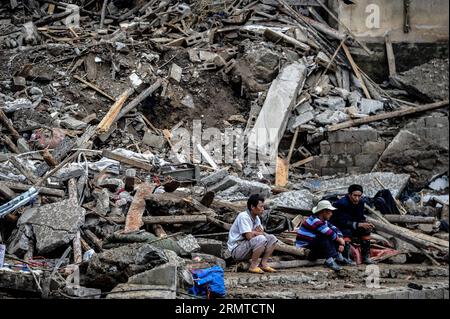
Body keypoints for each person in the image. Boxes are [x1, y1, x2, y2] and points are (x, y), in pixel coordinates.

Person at [296, 200, 354, 271]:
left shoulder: (324, 221)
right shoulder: (314, 220)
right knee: (324, 236)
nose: (331, 214)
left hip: (317, 248)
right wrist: (340, 241)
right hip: (307, 250)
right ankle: (330, 260)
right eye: (330, 211)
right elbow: (330, 233)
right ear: (324, 211)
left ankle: (338, 257)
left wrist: (340, 240)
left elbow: (336, 229)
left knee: (333, 236)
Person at [227, 194, 278, 274]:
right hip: (237, 249)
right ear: (252, 207)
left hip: (247, 246)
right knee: (261, 238)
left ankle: (263, 264)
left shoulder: (256, 218)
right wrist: (257, 233)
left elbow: (260, 232)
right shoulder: (243, 216)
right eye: (260, 207)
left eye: (263, 207)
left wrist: (255, 232)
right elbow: (249, 236)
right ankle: (253, 266)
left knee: (272, 238)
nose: (263, 209)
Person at [331, 184, 375, 265]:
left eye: (359, 196)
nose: (357, 198)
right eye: (355, 195)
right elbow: (341, 221)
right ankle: (346, 258)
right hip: (338, 226)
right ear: (349, 194)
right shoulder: (342, 204)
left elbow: (360, 217)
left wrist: (365, 223)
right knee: (347, 232)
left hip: (352, 225)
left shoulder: (361, 203)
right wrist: (358, 224)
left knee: (366, 230)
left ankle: (366, 257)